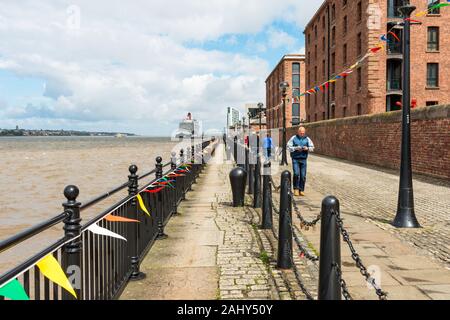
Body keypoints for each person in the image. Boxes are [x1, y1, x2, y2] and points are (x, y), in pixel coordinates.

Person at [287, 127, 314, 196]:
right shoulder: (293, 138)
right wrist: (296, 148)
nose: (302, 134)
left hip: (303, 159)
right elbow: (288, 147)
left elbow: (312, 147)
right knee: (296, 173)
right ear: (298, 132)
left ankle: (301, 190)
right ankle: (296, 189)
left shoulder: (307, 139)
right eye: (301, 133)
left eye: (303, 133)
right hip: (295, 158)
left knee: (303, 176)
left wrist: (307, 148)